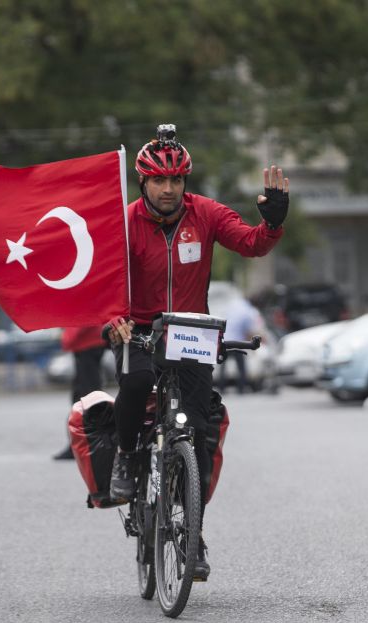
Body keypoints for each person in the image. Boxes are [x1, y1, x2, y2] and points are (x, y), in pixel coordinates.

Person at [106, 124, 289, 580]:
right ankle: (128, 456)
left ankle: (193, 530)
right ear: (143, 182)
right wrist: (115, 320)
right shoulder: (124, 222)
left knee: (201, 432)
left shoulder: (204, 214)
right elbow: (104, 282)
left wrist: (274, 221)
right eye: (159, 181)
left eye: (176, 181)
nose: (169, 189)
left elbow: (252, 244)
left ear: (185, 183)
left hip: (191, 330)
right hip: (141, 328)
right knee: (134, 381)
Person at [53, 325, 106, 460]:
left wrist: (67, 337)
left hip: (86, 344)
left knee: (85, 398)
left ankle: (87, 445)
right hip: (90, 342)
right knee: (87, 395)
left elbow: (81, 319)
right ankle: (87, 444)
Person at [217, 296, 265, 394]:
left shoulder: (235, 303)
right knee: (241, 366)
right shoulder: (248, 311)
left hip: (225, 338)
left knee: (223, 364)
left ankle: (221, 388)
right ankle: (241, 388)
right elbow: (249, 331)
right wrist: (253, 344)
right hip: (237, 341)